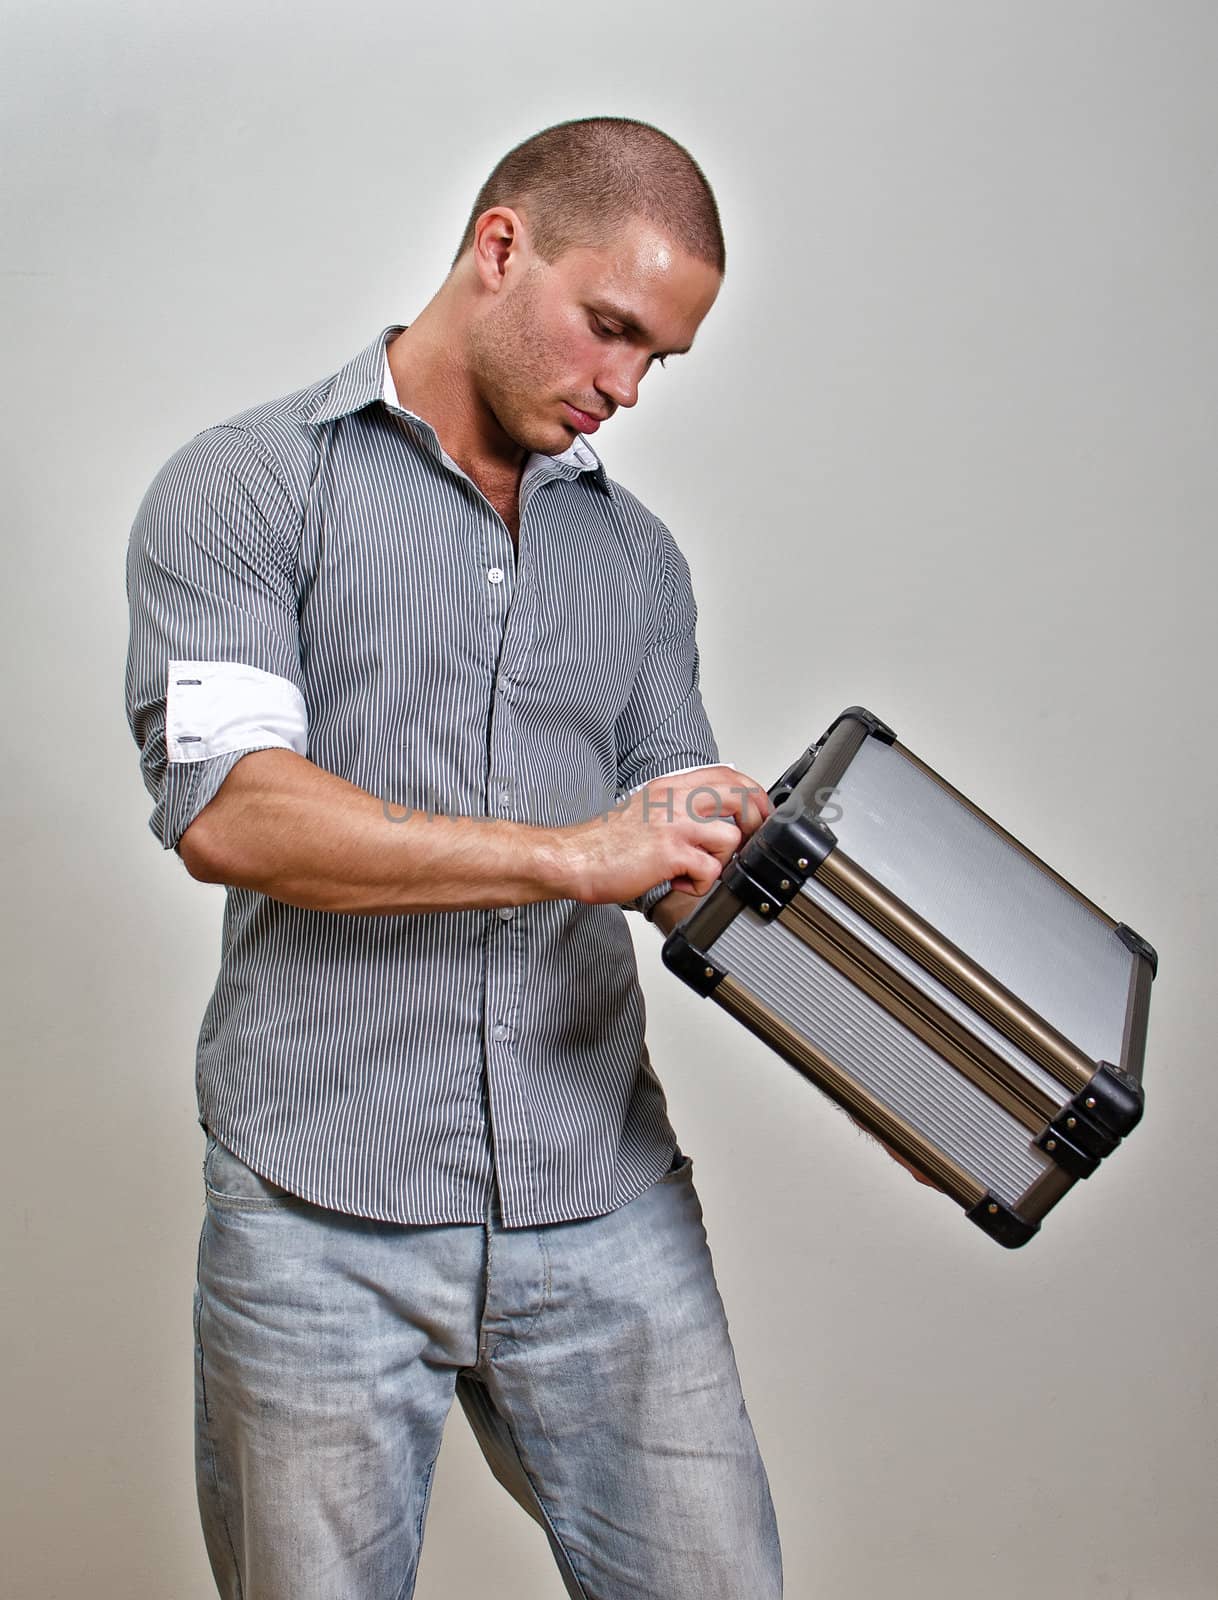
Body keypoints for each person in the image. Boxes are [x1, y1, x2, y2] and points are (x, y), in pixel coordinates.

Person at [125, 115, 784, 1599]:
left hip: (603, 1197)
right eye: (608, 328)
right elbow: (232, 812)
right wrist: (572, 855)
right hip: (318, 1218)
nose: (622, 388)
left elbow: (662, 811)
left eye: (654, 361)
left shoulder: (637, 558)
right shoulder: (245, 492)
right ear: (500, 247)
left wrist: (730, 845)